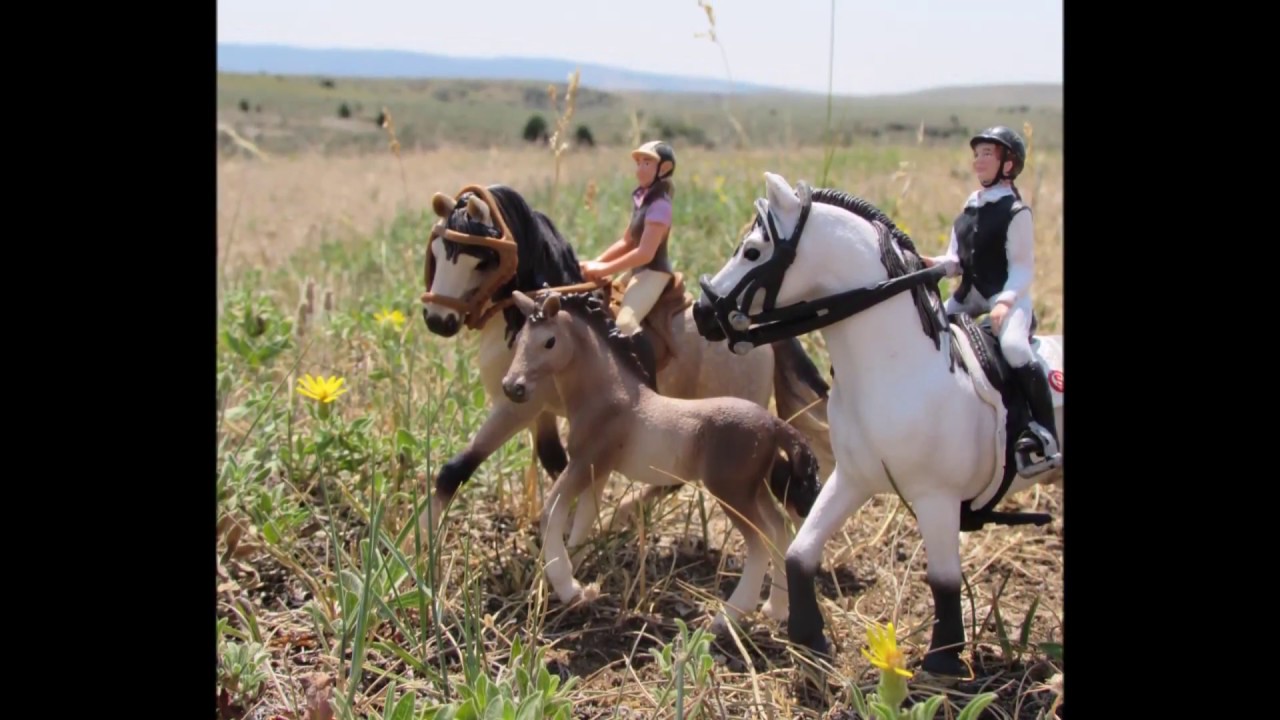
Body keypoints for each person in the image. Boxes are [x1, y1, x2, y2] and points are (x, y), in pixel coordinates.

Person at [923, 126, 1061, 475]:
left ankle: (1044, 433)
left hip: (1006, 299)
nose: (979, 160)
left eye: (988, 154)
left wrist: (1005, 303)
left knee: (1014, 348)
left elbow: (1022, 269)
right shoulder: (970, 206)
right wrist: (930, 264)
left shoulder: (1016, 212)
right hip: (968, 297)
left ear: (1008, 164)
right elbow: (955, 261)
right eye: (977, 154)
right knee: (928, 329)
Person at [579, 140, 677, 336]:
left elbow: (645, 254)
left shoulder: (660, 206)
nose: (639, 170)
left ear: (663, 168)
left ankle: (640, 366)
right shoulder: (643, 201)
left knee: (625, 322)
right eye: (638, 163)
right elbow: (627, 242)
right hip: (637, 271)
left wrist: (606, 268)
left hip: (653, 272)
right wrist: (595, 263)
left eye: (647, 164)